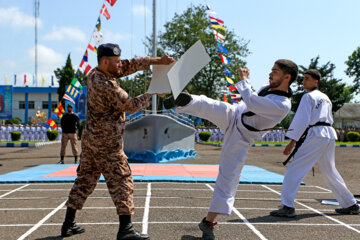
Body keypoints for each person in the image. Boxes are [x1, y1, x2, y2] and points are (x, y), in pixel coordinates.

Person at [164, 59, 298, 240]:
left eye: (275, 71)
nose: (270, 73)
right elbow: (247, 101)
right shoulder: (267, 87)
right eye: (271, 70)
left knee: (228, 176)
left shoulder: (282, 105)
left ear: (287, 77)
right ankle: (182, 100)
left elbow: (251, 102)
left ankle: (208, 223)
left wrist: (243, 80)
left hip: (242, 136)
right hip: (234, 114)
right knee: (208, 104)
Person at [60, 43, 174, 239]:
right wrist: (153, 92)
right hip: (108, 144)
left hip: (91, 142)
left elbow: (131, 64)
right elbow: (131, 105)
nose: (121, 65)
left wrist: (159, 61)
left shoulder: (95, 74)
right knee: (122, 181)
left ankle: (68, 224)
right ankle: (126, 230)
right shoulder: (106, 85)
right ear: (106, 62)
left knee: (84, 181)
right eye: (117, 62)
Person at [270, 69, 359, 218]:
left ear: (315, 82)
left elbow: (302, 120)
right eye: (303, 78)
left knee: (294, 168)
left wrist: (292, 142)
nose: (303, 81)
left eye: (307, 79)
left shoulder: (308, 96)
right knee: (329, 171)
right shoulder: (326, 98)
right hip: (328, 134)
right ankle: (351, 204)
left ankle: (287, 206)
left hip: (317, 134)